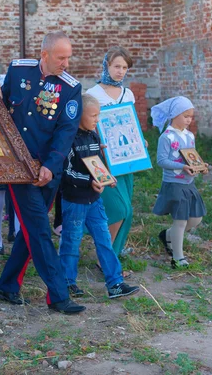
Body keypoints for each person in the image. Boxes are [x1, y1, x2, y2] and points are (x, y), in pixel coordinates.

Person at [0, 31, 85, 314]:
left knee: (31, 231)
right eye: (61, 58)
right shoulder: (19, 70)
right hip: (19, 169)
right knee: (39, 229)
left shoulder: (70, 88)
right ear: (44, 55)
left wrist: (50, 166)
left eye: (68, 57)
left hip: (49, 171)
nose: (66, 63)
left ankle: (7, 286)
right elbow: (0, 111)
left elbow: (66, 131)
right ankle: (58, 296)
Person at [59, 94, 140, 299]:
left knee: (104, 240)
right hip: (75, 201)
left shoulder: (94, 136)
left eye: (98, 115)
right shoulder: (69, 139)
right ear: (78, 115)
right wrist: (89, 182)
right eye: (93, 115)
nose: (97, 119)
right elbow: (65, 173)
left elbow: (98, 164)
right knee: (71, 241)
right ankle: (67, 282)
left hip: (95, 200)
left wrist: (107, 178)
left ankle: (115, 283)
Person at [86, 46, 137, 258]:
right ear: (107, 65)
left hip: (127, 159)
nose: (121, 71)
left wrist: (139, 139)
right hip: (102, 160)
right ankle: (105, 256)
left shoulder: (128, 94)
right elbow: (85, 128)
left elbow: (133, 124)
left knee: (128, 211)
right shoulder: (92, 94)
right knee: (118, 209)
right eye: (117, 66)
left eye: (125, 67)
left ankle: (112, 255)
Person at [151, 96, 207, 268]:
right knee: (180, 220)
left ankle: (168, 235)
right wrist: (182, 167)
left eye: (191, 116)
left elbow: (192, 157)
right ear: (174, 115)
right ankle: (177, 257)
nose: (189, 120)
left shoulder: (189, 136)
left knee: (196, 218)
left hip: (188, 183)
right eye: (185, 116)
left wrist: (200, 166)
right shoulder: (166, 137)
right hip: (174, 183)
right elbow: (161, 161)